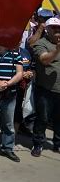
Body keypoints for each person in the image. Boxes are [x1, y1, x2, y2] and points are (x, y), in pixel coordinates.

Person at [30, 17, 60, 156]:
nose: (57, 30)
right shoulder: (41, 43)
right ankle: (38, 144)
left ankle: (57, 144)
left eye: (59, 27)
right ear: (47, 29)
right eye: (53, 28)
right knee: (43, 118)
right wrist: (57, 50)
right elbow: (44, 59)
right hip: (46, 89)